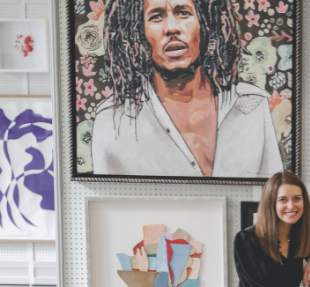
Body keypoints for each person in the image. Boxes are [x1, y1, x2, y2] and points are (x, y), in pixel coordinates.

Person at [92, 0, 282, 177]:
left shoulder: (252, 105)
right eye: (156, 16)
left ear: (205, 22)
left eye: (183, 12)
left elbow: (272, 197)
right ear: (137, 32)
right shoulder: (112, 119)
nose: (172, 28)